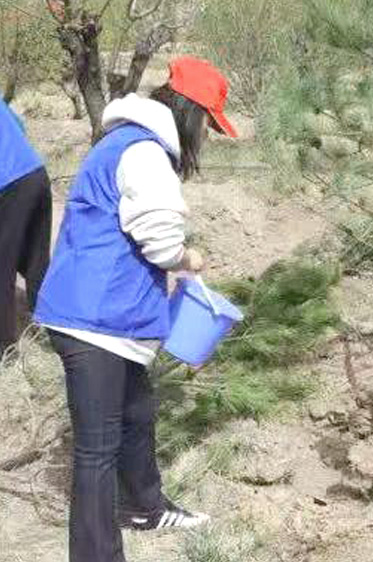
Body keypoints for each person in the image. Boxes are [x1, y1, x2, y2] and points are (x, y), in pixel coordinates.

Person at [33, 56, 238, 562]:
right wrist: (187, 259)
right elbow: (160, 240)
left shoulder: (128, 142)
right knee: (96, 452)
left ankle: (145, 507)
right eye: (208, 125)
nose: (206, 136)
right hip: (93, 322)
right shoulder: (144, 152)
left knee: (137, 412)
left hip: (106, 316)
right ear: (191, 112)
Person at [0, 99, 52, 354]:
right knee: (36, 262)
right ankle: (55, 334)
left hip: (7, 183)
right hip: (35, 173)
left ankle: (5, 350)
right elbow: (19, 125)